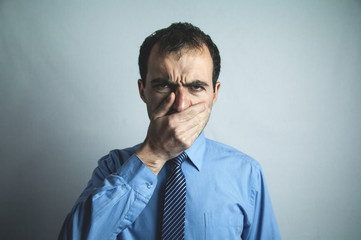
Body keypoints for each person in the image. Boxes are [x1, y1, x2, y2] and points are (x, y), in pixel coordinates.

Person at [59, 22, 281, 240]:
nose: (180, 104)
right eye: (164, 86)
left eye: (196, 87)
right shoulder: (113, 167)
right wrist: (152, 155)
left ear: (215, 93)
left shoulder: (246, 174)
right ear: (143, 90)